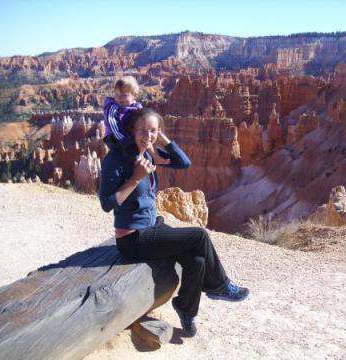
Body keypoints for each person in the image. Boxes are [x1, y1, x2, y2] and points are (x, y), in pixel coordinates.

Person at [98, 108, 249, 337]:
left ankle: (186, 309)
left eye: (153, 130)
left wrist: (160, 139)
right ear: (131, 130)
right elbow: (108, 203)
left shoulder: (148, 153)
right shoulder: (117, 158)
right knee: (199, 236)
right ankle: (219, 286)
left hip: (152, 227)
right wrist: (136, 177)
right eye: (142, 130)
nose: (147, 135)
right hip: (132, 238)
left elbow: (183, 162)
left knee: (197, 260)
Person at [102, 76, 143, 150]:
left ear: (134, 96)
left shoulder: (137, 107)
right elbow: (115, 127)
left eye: (123, 95)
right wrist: (127, 142)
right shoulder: (113, 108)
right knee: (129, 149)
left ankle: (156, 156)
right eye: (116, 95)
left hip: (127, 135)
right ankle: (136, 157)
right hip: (114, 137)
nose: (119, 98)